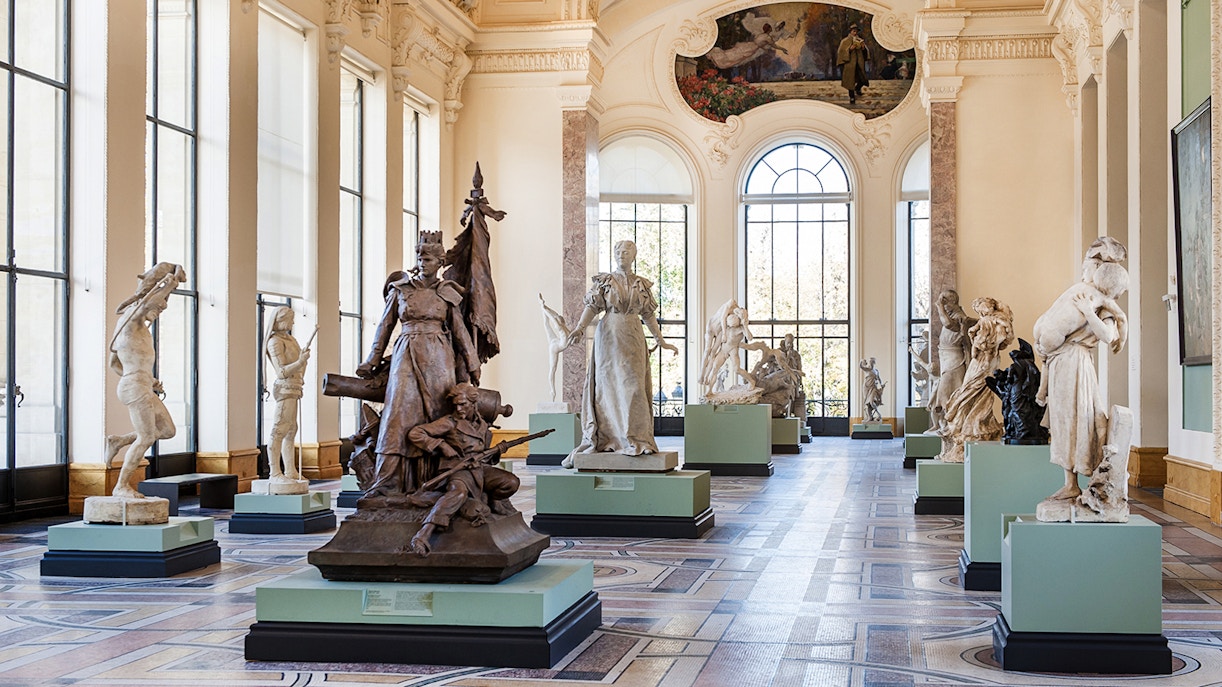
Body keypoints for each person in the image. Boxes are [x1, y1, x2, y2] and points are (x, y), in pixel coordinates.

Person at [356, 231, 481, 498]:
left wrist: (472, 362)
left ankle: (438, 481)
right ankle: (388, 481)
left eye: (428, 258)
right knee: (397, 415)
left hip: (439, 357)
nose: (423, 262)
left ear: (440, 262)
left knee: (437, 414)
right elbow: (385, 327)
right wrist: (372, 360)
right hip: (406, 354)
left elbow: (459, 331)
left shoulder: (447, 293)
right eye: (420, 257)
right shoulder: (401, 290)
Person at [563, 240, 678, 461]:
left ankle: (638, 439)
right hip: (609, 336)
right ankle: (610, 439)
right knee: (608, 387)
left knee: (634, 387)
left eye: (626, 251)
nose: (621, 254)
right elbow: (592, 306)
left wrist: (660, 340)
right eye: (618, 251)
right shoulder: (606, 281)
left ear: (634, 255)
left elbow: (649, 315)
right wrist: (579, 328)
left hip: (633, 335)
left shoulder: (641, 284)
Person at [1033, 238, 1128, 501]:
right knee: (1064, 422)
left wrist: (1089, 312)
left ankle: (1081, 481)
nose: (1084, 271)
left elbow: (1108, 336)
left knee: (1077, 420)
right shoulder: (1086, 295)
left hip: (1076, 363)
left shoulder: (1099, 302)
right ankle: (1070, 483)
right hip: (1062, 360)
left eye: (1089, 266)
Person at [406, 383, 520, 555]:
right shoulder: (450, 422)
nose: (459, 409)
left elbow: (482, 454)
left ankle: (491, 499)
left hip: (479, 469)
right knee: (458, 493)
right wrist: (441, 444)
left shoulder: (482, 424)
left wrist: (497, 452)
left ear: (473, 404)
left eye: (463, 404)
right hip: (457, 469)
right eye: (456, 405)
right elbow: (416, 433)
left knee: (511, 482)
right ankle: (423, 534)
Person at [105, 262, 187, 499]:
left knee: (167, 430)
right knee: (147, 436)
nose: (160, 310)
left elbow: (114, 364)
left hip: (139, 385)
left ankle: (119, 441)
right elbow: (146, 300)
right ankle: (121, 486)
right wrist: (171, 279)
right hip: (134, 388)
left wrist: (147, 380)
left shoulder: (139, 330)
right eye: (160, 306)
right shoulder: (130, 323)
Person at [939, 297, 1015, 462]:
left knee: (981, 388)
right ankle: (963, 426)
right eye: (979, 310)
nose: (981, 312)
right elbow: (972, 331)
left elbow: (1004, 338)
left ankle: (976, 428)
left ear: (990, 305)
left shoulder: (998, 321)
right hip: (978, 359)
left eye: (983, 308)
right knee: (968, 388)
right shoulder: (983, 321)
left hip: (988, 360)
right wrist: (975, 339)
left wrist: (985, 342)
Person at [264, 306, 312, 485]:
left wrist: (303, 360)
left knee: (291, 430)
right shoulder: (274, 341)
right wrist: (300, 361)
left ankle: (290, 470)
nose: (292, 322)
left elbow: (299, 368)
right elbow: (281, 371)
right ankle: (275, 472)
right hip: (285, 388)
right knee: (280, 429)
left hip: (294, 387)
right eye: (290, 319)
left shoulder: (291, 339)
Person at [927, 289, 976, 434]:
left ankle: (950, 424)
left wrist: (938, 306)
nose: (943, 304)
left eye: (945, 300)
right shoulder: (952, 315)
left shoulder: (959, 316)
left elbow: (948, 324)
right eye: (942, 301)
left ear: (953, 301)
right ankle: (945, 424)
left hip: (954, 360)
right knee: (946, 393)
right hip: (946, 358)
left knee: (946, 393)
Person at [837, 24, 870, 104]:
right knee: (850, 81)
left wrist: (863, 48)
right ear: (850, 32)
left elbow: (865, 53)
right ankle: (852, 97)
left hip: (859, 64)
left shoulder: (859, 40)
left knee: (862, 79)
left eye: (856, 31)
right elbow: (841, 52)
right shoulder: (845, 41)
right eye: (853, 31)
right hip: (850, 65)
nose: (855, 33)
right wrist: (850, 49)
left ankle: (858, 88)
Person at [859, 357, 885, 422]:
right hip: (866, 387)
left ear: (874, 363)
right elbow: (861, 366)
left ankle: (878, 414)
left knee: (871, 402)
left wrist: (881, 385)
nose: (870, 363)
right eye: (869, 361)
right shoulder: (867, 369)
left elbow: (879, 379)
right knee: (867, 404)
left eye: (872, 361)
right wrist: (861, 361)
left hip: (873, 387)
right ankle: (870, 417)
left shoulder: (876, 371)